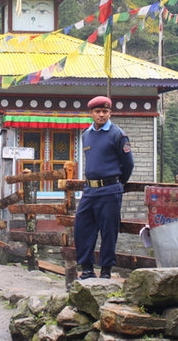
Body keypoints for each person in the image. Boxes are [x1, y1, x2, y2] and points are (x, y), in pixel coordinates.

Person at [74, 96, 134, 279]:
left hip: (110, 190)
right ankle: (86, 269)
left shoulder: (118, 135)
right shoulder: (86, 134)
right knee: (82, 227)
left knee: (108, 231)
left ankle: (106, 270)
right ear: (91, 113)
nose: (101, 115)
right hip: (89, 190)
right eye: (97, 112)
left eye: (105, 112)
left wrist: (117, 183)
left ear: (110, 113)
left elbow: (128, 165)